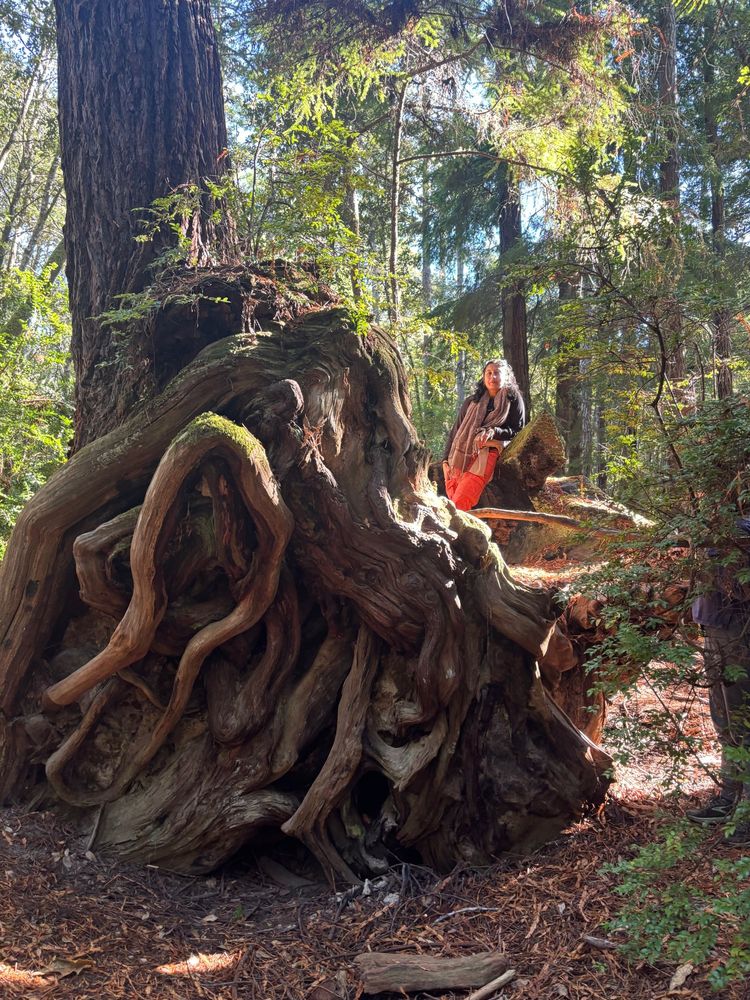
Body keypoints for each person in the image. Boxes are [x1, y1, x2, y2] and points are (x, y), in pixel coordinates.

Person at [687, 518, 750, 846]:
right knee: (724, 724)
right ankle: (728, 799)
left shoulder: (739, 530)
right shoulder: (713, 524)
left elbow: (739, 585)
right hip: (713, 630)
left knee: (743, 726)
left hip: (736, 634)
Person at [441, 359, 525, 512]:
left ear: (506, 376)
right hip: (460, 455)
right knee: (453, 498)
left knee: (460, 501)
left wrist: (494, 432)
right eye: (489, 373)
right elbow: (456, 431)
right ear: (483, 376)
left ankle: (458, 534)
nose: (492, 377)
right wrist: (445, 460)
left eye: (497, 373)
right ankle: (461, 532)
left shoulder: (513, 399)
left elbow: (518, 431)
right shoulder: (472, 402)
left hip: (488, 452)